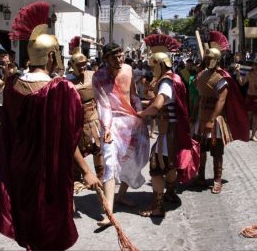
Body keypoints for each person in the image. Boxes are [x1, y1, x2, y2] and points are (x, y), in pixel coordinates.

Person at [0, 1, 101, 251]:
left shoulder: (11, 86)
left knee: (29, 228)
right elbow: (67, 140)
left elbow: (7, 130)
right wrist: (86, 170)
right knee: (48, 232)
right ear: (51, 56)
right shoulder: (61, 90)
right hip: (46, 174)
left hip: (19, 170)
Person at [92, 43, 150, 226]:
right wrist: (106, 129)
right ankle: (109, 212)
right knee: (109, 161)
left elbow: (133, 96)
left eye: (120, 56)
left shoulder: (128, 69)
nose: (119, 60)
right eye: (114, 57)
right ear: (106, 60)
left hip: (131, 121)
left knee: (133, 159)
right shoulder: (99, 77)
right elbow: (103, 105)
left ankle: (121, 195)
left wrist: (140, 116)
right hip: (111, 122)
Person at [137, 52, 194, 217]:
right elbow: (161, 103)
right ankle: (169, 192)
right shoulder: (174, 78)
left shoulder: (165, 82)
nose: (152, 69)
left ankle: (157, 207)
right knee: (170, 164)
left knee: (156, 166)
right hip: (173, 129)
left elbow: (157, 106)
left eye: (153, 66)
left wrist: (142, 113)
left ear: (160, 65)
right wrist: (143, 102)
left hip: (167, 132)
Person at [193, 48, 249, 194]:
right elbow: (199, 97)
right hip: (201, 116)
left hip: (215, 119)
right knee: (201, 150)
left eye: (209, 59)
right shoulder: (201, 74)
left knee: (216, 151)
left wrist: (211, 120)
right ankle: (200, 176)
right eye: (205, 58)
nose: (206, 61)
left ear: (216, 60)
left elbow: (222, 100)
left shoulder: (222, 77)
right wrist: (193, 115)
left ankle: (217, 180)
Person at [68, 48, 104, 180]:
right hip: (78, 121)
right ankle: (76, 181)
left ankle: (100, 179)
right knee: (77, 152)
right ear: (73, 66)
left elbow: (102, 95)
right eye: (79, 65)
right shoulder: (67, 81)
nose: (82, 67)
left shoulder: (94, 75)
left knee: (98, 150)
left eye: (84, 64)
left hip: (94, 118)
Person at [236, 60, 257, 141]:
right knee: (248, 117)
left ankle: (253, 135)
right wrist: (238, 74)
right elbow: (242, 83)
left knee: (255, 119)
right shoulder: (249, 74)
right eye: (255, 65)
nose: (256, 67)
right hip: (249, 97)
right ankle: (245, 134)